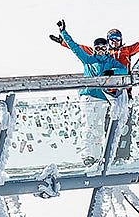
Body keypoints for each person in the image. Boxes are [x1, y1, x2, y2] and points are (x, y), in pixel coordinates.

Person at [50, 20, 128, 163]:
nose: (100, 51)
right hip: (88, 97)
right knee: (89, 126)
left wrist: (112, 71)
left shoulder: (110, 62)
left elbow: (124, 70)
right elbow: (74, 47)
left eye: (103, 48)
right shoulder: (88, 60)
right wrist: (63, 32)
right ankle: (88, 156)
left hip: (103, 99)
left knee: (98, 128)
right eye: (98, 48)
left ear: (106, 48)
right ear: (94, 49)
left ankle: (99, 156)